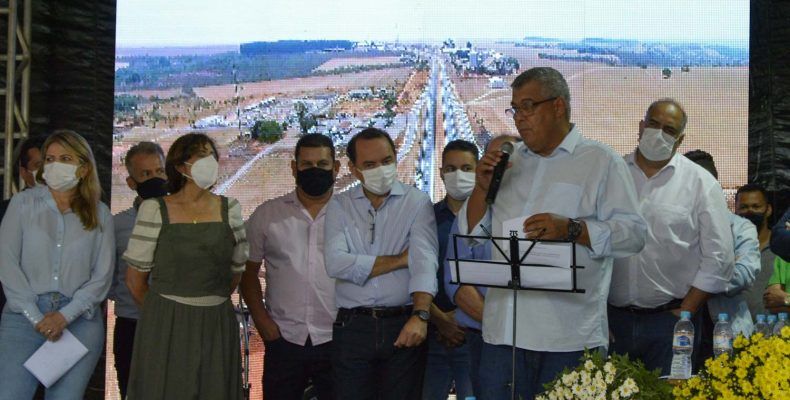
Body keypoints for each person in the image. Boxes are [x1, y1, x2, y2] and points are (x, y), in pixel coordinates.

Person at [459, 67, 647, 400]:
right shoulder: (509, 161)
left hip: (569, 338)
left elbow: (633, 234)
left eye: (528, 106)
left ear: (558, 106)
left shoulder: (600, 162)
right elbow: (474, 234)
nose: (519, 118)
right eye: (514, 109)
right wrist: (480, 189)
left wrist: (574, 229)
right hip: (504, 334)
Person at [608, 101, 734, 376]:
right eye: (653, 124)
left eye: (669, 129)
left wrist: (686, 311)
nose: (658, 133)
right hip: (611, 321)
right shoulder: (610, 174)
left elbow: (720, 257)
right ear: (641, 127)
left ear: (680, 140)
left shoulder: (701, 184)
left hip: (672, 322)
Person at [123, 133, 248, 400]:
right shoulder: (155, 210)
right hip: (167, 325)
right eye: (200, 156)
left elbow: (235, 272)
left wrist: (207, 300)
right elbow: (135, 281)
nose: (209, 162)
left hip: (216, 323)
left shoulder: (231, 209)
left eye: (211, 156)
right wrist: (166, 315)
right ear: (180, 166)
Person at [324, 127, 438, 400]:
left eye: (387, 161)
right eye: (370, 165)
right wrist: (400, 259)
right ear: (353, 169)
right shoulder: (339, 205)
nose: (381, 170)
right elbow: (336, 263)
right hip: (353, 328)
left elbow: (424, 263)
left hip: (403, 324)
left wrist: (420, 316)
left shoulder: (417, 203)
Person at [0, 129, 114, 399]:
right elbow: (6, 262)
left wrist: (65, 315)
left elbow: (102, 276)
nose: (54, 165)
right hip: (22, 320)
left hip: (79, 322)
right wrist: (34, 316)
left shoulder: (101, 214)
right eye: (49, 159)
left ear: (83, 169)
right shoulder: (23, 204)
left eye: (65, 158)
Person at [241, 134, 339, 400]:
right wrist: (264, 324)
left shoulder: (353, 214)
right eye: (306, 165)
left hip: (337, 340)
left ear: (336, 168)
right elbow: (248, 274)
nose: (314, 171)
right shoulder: (267, 215)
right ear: (294, 168)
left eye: (322, 164)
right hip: (283, 340)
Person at [442, 134, 519, 398]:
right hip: (484, 338)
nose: (499, 166)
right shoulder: (471, 214)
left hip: (534, 339)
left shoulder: (538, 211)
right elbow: (457, 280)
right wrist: (499, 322)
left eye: (507, 158)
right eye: (492, 159)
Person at [110, 141, 167, 399]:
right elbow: (108, 278)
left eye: (159, 171)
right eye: (146, 174)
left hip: (176, 326)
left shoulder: (186, 218)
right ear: (131, 182)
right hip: (132, 327)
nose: (155, 178)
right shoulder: (116, 225)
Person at [685, 149, 759, 346]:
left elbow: (744, 274)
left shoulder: (741, 227)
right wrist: (720, 265)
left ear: (714, 184)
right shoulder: (670, 227)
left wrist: (693, 273)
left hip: (730, 330)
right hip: (679, 326)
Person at [424, 139, 479, 400]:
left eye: (467, 168)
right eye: (451, 168)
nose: (459, 175)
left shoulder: (492, 221)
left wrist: (464, 317)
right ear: (441, 173)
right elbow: (415, 274)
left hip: (477, 337)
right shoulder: (426, 219)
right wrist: (441, 320)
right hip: (432, 333)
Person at [0, 136, 44, 326]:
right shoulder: (6, 211)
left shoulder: (84, 212)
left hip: (63, 315)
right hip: (16, 313)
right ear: (24, 173)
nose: (46, 171)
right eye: (38, 165)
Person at [733, 183, 776, 316]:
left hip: (779, 331)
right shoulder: (726, 247)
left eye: (756, 206)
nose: (750, 211)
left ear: (768, 210)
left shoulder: (782, 246)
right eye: (743, 207)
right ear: (736, 210)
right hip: (733, 329)